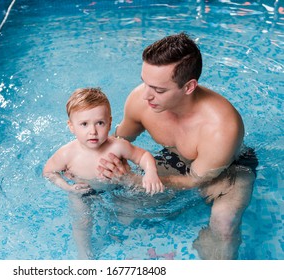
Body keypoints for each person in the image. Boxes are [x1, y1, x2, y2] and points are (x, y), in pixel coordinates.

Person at [97, 32, 258, 260]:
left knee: (224, 224)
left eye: (159, 90)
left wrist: (136, 180)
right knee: (121, 205)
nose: (146, 96)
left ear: (189, 87)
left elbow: (196, 181)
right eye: (145, 83)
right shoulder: (139, 101)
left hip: (228, 168)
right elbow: (120, 141)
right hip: (177, 160)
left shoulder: (221, 127)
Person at [43, 87, 164, 259]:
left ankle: (115, 232)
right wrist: (68, 187)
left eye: (99, 123)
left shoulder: (117, 146)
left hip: (115, 187)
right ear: (71, 127)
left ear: (109, 122)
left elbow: (143, 155)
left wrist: (150, 173)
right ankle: (83, 252)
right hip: (82, 191)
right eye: (84, 124)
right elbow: (49, 172)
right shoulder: (67, 153)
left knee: (127, 214)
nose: (92, 131)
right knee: (82, 222)